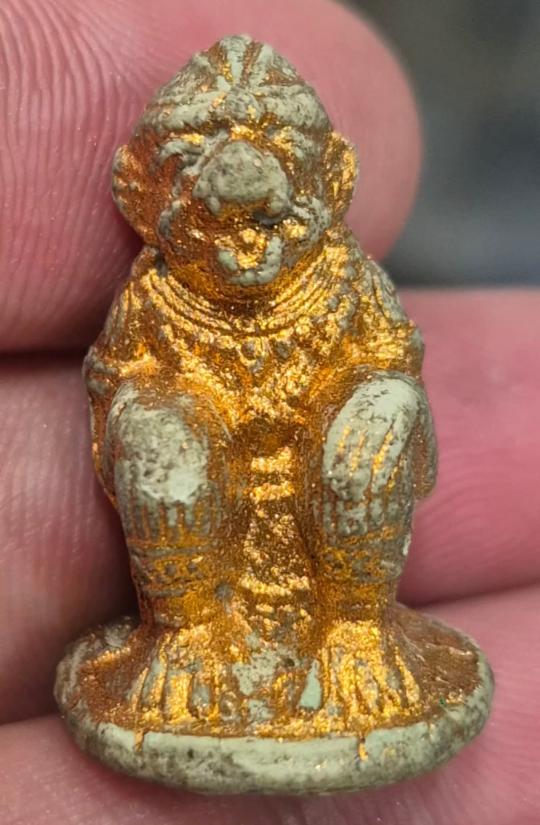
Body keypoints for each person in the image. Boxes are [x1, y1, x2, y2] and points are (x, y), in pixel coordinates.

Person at [1, 0, 538, 822]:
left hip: (331, 516)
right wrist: (156, 425)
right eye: (194, 158)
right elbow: (114, 392)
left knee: (382, 411)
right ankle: (186, 638)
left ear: (334, 178)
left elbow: (393, 365)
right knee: (153, 437)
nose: (242, 180)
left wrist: (371, 412)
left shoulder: (345, 282)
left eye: (281, 153)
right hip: (201, 534)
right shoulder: (155, 298)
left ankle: (355, 632)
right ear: (141, 192)